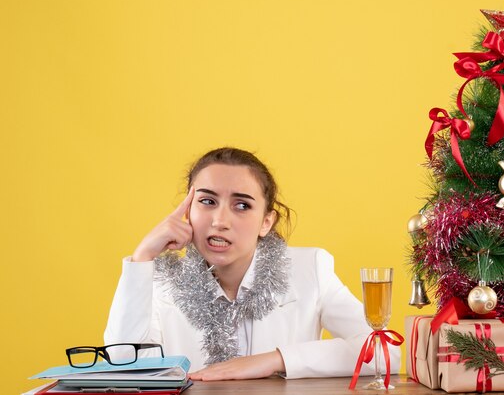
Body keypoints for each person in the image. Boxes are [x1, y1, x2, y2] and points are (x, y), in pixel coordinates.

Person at [104, 147, 400, 381]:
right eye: (207, 201)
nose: (220, 221)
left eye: (242, 205)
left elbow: (385, 351)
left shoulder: (310, 268)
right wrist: (141, 258)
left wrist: (274, 360)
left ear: (266, 222)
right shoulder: (159, 280)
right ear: (187, 209)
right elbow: (123, 367)